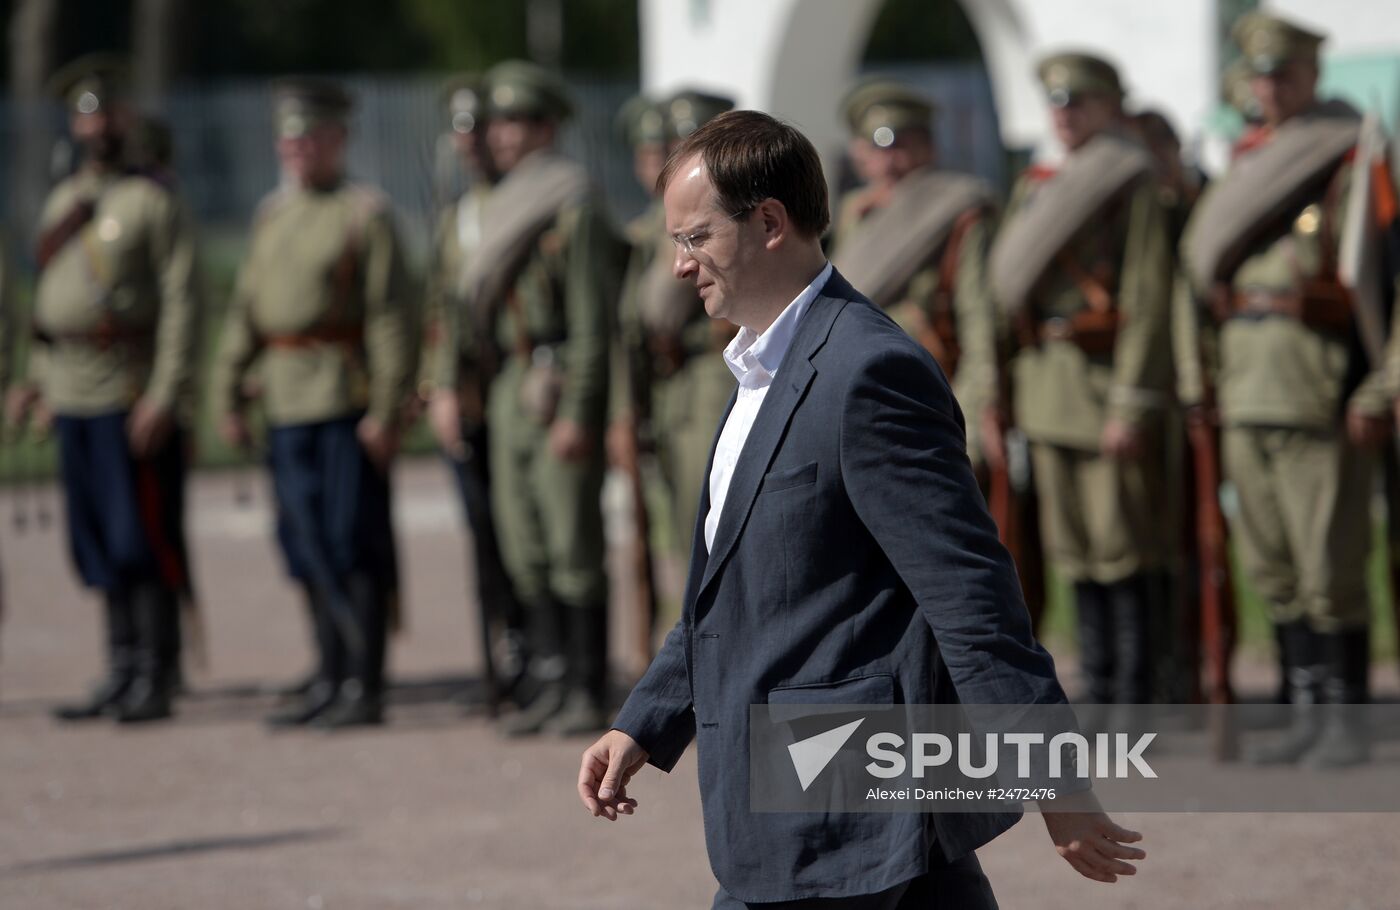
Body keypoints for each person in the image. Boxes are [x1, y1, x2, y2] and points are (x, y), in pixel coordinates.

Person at [578, 110, 1146, 907]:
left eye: (696, 237)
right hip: (822, 815)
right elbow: (730, 593)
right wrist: (645, 720)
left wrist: (1053, 781)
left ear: (769, 222)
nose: (679, 266)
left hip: (836, 811)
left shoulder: (868, 372)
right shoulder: (756, 371)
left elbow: (971, 596)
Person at [1177, 13, 1399, 767]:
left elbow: (1390, 283)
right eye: (1260, 75)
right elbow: (1198, 283)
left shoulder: (1352, 155)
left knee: (1330, 568)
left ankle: (1347, 721)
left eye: (1284, 74)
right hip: (1244, 391)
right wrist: (1197, 377)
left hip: (1321, 391)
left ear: (1312, 75)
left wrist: (1382, 387)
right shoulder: (1243, 164)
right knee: (1271, 567)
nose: (1270, 87)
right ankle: (1305, 709)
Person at [210, 78, 415, 729]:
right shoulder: (273, 214)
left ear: (338, 140)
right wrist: (226, 387)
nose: (298, 149)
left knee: (351, 541)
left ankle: (363, 678)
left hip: (341, 400)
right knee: (301, 540)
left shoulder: (364, 214)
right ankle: (328, 668)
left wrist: (386, 410)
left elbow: (391, 319)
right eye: (289, 138)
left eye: (311, 137)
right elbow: (248, 310)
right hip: (284, 399)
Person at [8, 55, 202, 724]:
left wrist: (164, 394)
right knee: (92, 536)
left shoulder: (152, 199)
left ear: (128, 119)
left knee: (139, 535)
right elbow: (49, 301)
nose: (97, 126)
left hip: (128, 391)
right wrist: (32, 381)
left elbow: (182, 304)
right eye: (85, 115)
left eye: (108, 112)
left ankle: (157, 667)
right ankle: (120, 665)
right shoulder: (65, 202)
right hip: (71, 392)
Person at [987, 53, 1174, 711]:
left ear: (1109, 105)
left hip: (1103, 390)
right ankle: (1098, 687)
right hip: (1048, 388)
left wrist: (1131, 400)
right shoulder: (1038, 183)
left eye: (1078, 102)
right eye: (1057, 104)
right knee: (1076, 554)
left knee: (1123, 549)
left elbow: (1150, 296)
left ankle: (1136, 695)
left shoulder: (1130, 179)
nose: (1064, 114)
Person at [458, 60, 625, 736]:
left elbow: (591, 319)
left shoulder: (572, 202)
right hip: (507, 387)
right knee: (524, 543)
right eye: (498, 122)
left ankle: (586, 684)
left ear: (548, 128)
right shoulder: (493, 204)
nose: (504, 135)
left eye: (519, 122)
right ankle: (551, 680)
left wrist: (583, 410)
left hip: (556, 386)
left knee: (571, 543)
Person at [609, 89, 737, 635]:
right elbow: (627, 332)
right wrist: (624, 411)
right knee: (681, 532)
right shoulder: (642, 236)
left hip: (716, 376)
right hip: (669, 389)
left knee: (717, 528)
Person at [423, 74, 527, 709]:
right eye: (461, 132)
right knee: (484, 532)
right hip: (471, 395)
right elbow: (441, 309)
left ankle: (541, 652)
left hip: (517, 386)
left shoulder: (525, 201)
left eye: (479, 129)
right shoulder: (457, 217)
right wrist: (437, 387)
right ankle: (505, 650)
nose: (470, 144)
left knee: (524, 535)